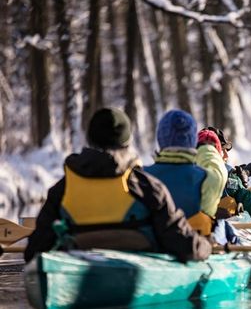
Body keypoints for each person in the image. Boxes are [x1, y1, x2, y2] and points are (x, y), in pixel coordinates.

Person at [24, 107, 212, 263]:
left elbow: (33, 251)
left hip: (78, 268)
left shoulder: (62, 188)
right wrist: (205, 246)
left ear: (90, 140)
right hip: (137, 270)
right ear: (127, 143)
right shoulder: (147, 187)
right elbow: (182, 244)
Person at [200, 127, 251, 219]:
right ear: (216, 151)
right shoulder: (229, 177)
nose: (226, 155)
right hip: (219, 228)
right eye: (223, 150)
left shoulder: (187, 172)